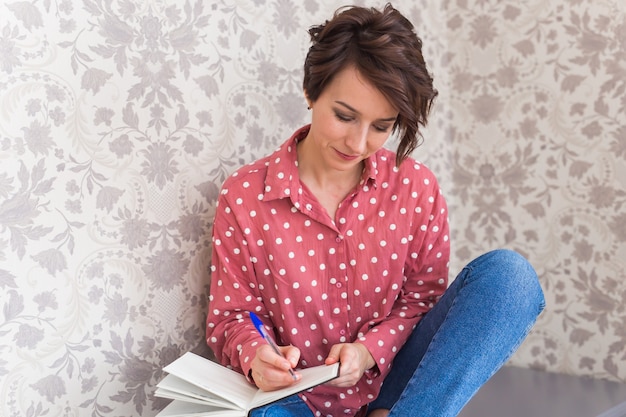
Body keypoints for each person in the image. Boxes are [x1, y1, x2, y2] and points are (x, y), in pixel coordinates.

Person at [205, 3, 545, 417]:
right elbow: (231, 317)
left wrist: (369, 351)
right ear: (311, 91)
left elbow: (421, 304)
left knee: (510, 278)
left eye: (382, 127)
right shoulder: (245, 196)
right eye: (344, 116)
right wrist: (256, 355)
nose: (358, 142)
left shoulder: (416, 187)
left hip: (398, 390)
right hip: (295, 401)